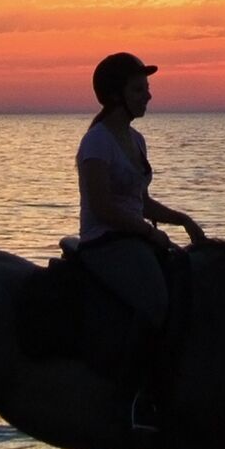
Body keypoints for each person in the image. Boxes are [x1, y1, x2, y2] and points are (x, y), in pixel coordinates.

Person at [71, 51, 204, 427]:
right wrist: (148, 233)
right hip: (105, 242)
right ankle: (133, 396)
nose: (148, 96)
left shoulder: (136, 139)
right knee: (155, 302)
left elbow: (139, 201)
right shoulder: (97, 142)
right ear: (116, 95)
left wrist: (182, 220)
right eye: (139, 89)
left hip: (134, 237)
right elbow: (102, 207)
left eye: (147, 88)